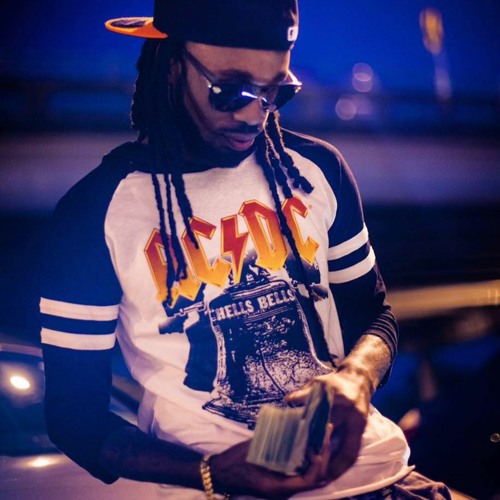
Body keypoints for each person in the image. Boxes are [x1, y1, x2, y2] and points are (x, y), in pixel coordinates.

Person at [40, 1, 451, 498]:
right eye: (231, 90)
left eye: (277, 91)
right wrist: (212, 471)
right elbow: (75, 418)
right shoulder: (94, 213)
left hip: (386, 479)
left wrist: (357, 377)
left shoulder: (316, 169)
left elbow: (375, 316)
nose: (256, 112)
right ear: (171, 66)